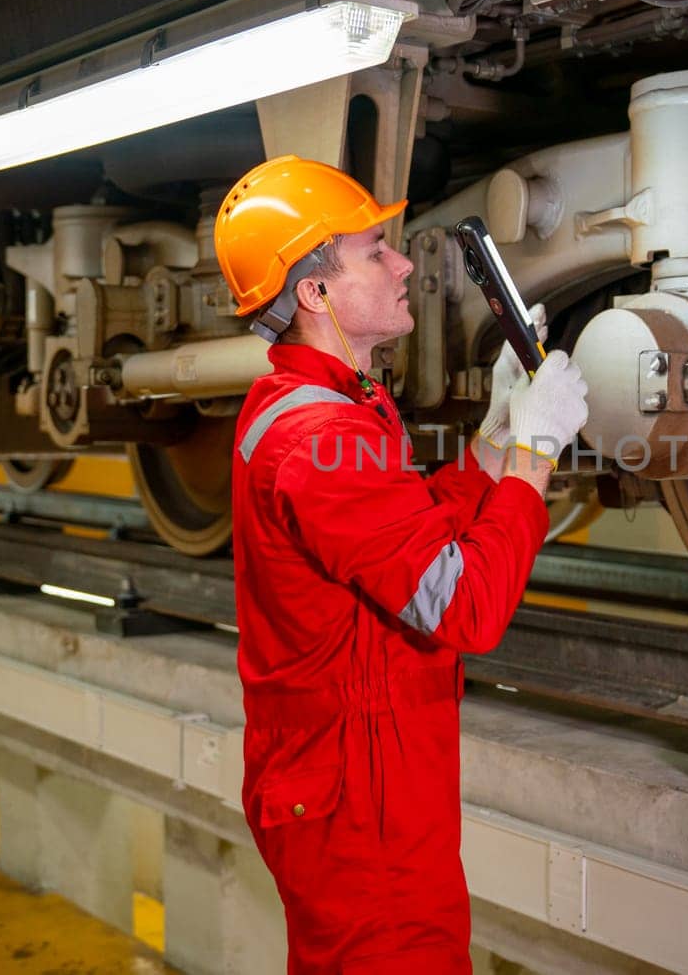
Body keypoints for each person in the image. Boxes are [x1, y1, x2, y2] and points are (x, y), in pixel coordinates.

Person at [215, 155, 589, 973]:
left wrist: (495, 435)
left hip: (366, 782)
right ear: (314, 294)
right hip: (360, 806)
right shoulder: (318, 441)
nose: (404, 264)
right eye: (374, 250)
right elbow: (463, 606)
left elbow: (408, 542)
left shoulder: (327, 408)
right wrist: (535, 453)